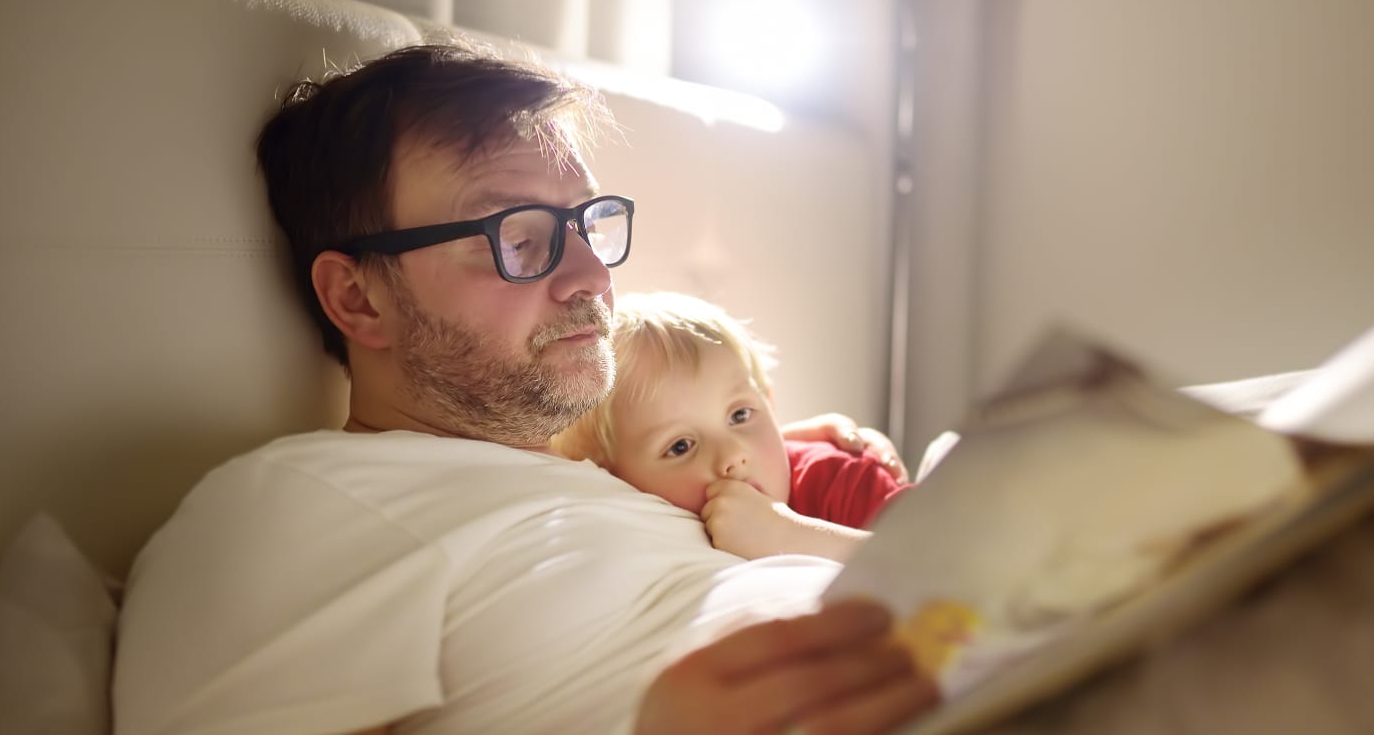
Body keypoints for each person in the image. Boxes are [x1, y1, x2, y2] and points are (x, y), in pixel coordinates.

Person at [111, 43, 939, 735]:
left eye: (586, 224)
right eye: (515, 237)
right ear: (358, 298)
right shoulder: (287, 509)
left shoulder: (631, 474)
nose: (589, 277)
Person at [552, 291, 911, 562]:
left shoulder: (844, 478)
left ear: (769, 404)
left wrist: (787, 536)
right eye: (681, 446)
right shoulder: (635, 539)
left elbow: (950, 565)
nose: (733, 455)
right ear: (614, 480)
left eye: (740, 416)